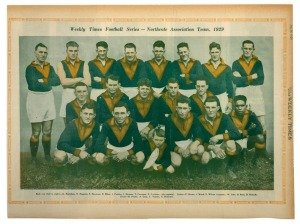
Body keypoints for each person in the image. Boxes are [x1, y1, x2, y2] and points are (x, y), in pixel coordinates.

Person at [25, 43, 61, 167]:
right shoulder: (30, 68)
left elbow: (57, 81)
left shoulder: (49, 67)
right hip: (35, 99)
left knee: (47, 131)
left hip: (48, 98)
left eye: (45, 52)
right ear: (35, 53)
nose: (43, 55)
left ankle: (47, 156)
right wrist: (48, 81)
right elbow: (33, 85)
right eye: (40, 52)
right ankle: (33, 159)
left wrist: (43, 80)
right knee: (36, 132)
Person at [196, 96, 241, 179]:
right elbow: (198, 139)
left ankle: (229, 168)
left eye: (213, 107)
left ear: (218, 108)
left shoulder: (224, 117)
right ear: (204, 107)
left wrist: (219, 136)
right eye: (208, 107)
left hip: (221, 145)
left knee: (230, 143)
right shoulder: (199, 119)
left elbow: (236, 133)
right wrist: (213, 148)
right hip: (208, 147)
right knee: (204, 159)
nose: (210, 110)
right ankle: (207, 168)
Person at [92, 102, 145, 166]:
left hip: (128, 148)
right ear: (113, 113)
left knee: (141, 158)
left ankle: (127, 159)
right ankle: (112, 161)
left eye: (122, 113)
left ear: (128, 113)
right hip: (112, 149)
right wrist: (110, 152)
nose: (119, 116)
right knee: (99, 158)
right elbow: (98, 145)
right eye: (117, 113)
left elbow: (139, 143)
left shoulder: (132, 123)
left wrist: (127, 152)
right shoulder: (107, 124)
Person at [231, 40, 266, 136]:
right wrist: (251, 77)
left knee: (260, 119)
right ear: (242, 49)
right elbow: (235, 80)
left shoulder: (258, 63)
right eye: (245, 48)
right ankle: (244, 147)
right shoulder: (236, 63)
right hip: (241, 91)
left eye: (250, 49)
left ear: (253, 50)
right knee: (241, 117)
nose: (247, 51)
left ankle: (261, 149)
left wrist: (242, 78)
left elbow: (261, 80)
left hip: (255, 91)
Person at [165, 95, 203, 174]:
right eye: (180, 108)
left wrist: (194, 144)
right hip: (176, 144)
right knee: (176, 163)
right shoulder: (169, 119)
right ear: (176, 108)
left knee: (200, 149)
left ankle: (193, 165)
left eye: (185, 108)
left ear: (189, 109)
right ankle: (182, 166)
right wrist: (180, 150)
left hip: (189, 143)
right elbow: (169, 140)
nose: (182, 111)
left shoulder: (194, 117)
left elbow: (199, 134)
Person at [54, 103, 100, 167]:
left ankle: (84, 165)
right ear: (81, 113)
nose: (88, 117)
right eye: (85, 113)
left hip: (81, 147)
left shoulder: (95, 125)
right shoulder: (72, 124)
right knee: (60, 156)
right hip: (68, 148)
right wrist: (78, 153)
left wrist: (84, 152)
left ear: (94, 115)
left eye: (91, 114)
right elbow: (61, 144)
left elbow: (96, 144)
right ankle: (62, 169)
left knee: (97, 156)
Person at [57, 41, 91, 125]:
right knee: (68, 125)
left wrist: (69, 81)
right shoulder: (61, 64)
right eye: (71, 51)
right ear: (66, 51)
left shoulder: (84, 63)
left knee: (84, 122)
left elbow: (88, 82)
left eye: (75, 51)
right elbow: (63, 82)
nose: (73, 53)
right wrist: (79, 79)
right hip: (67, 94)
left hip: (82, 94)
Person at [230, 95, 269, 168]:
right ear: (234, 106)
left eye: (242, 105)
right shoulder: (230, 116)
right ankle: (238, 157)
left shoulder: (251, 114)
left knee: (260, 138)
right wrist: (249, 129)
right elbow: (231, 133)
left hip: (248, 139)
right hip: (236, 141)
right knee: (237, 159)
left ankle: (255, 159)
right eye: (237, 106)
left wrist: (245, 132)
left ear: (246, 106)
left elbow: (259, 129)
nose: (239, 108)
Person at [202, 42, 233, 114]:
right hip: (208, 97)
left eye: (217, 52)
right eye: (212, 52)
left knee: (223, 119)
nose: (215, 54)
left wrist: (230, 102)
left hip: (223, 97)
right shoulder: (204, 67)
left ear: (220, 52)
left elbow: (230, 87)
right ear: (209, 53)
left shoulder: (227, 68)